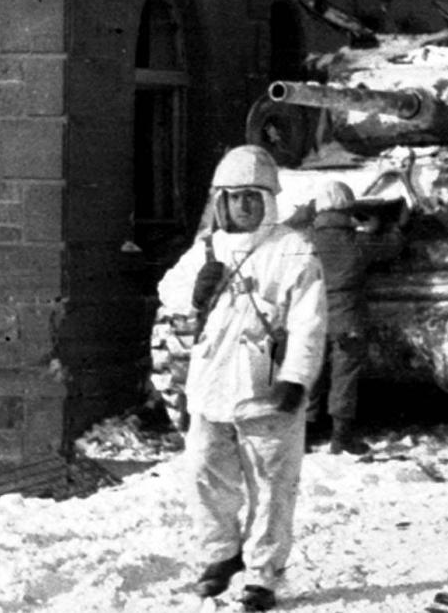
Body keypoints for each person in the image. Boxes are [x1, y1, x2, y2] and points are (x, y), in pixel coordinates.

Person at [155, 146, 327, 611]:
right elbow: (168, 291)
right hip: (212, 380)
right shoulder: (207, 248)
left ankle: (263, 575)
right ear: (221, 202)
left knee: (272, 483)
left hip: (265, 382)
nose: (244, 205)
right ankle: (221, 553)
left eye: (253, 196)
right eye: (234, 197)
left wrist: (295, 377)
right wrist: (194, 291)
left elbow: (310, 322)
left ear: (268, 200)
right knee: (205, 472)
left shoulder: (293, 248)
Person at [291, 181, 401, 456]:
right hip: (347, 322)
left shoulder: (305, 243)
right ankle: (341, 437)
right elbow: (393, 247)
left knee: (312, 375)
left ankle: (301, 435)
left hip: (312, 319)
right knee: (344, 378)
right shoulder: (358, 243)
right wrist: (395, 225)